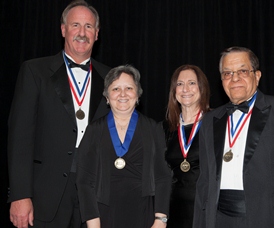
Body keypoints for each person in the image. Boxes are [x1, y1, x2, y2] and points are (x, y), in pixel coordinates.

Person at [7, 1, 111, 227]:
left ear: (97, 34)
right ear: (63, 29)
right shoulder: (34, 71)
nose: (82, 33)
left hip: (95, 197)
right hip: (45, 196)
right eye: (75, 25)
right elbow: (20, 138)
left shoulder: (112, 78)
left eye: (89, 27)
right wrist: (19, 195)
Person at [193, 46, 274, 228]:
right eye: (227, 73)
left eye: (242, 71)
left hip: (268, 218)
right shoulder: (210, 120)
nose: (234, 78)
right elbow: (204, 183)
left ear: (257, 75)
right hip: (218, 220)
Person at [76, 65, 172, 228]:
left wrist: (161, 220)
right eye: (115, 89)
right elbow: (84, 180)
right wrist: (93, 222)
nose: (122, 94)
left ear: (138, 94)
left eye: (129, 88)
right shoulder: (94, 130)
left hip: (144, 215)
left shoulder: (153, 128)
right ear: (107, 96)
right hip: (102, 216)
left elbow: (163, 176)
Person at [163, 65, 210, 227]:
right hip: (173, 211)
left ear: (201, 88)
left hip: (206, 211)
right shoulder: (164, 128)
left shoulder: (216, 123)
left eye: (191, 83)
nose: (185, 89)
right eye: (180, 84)